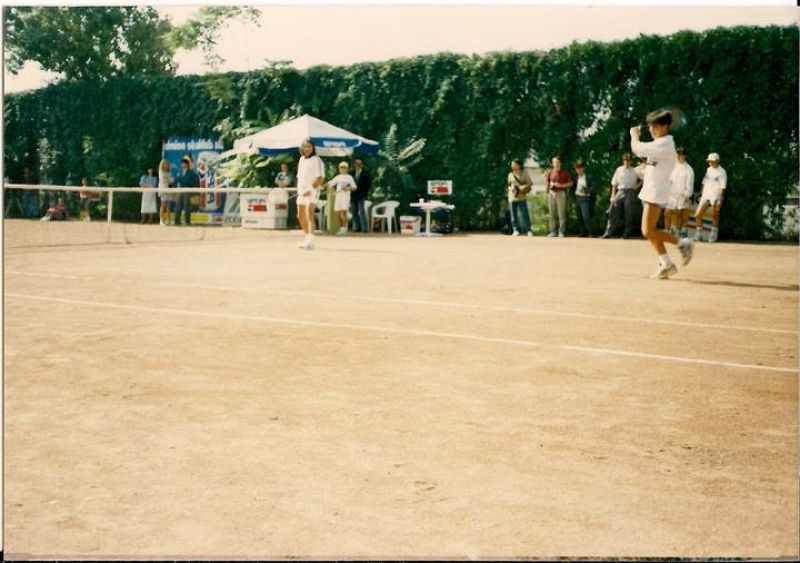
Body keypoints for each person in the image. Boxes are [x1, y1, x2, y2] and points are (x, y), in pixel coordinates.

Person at [630, 109, 694, 279]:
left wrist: (634, 135)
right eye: (650, 126)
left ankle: (682, 243)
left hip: (656, 191)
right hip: (651, 189)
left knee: (647, 231)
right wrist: (644, 170)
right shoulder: (660, 144)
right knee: (651, 230)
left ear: (665, 127)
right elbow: (657, 166)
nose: (651, 130)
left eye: (655, 126)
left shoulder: (664, 143)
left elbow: (637, 149)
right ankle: (666, 263)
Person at [601, 153, 640, 238]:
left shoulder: (635, 170)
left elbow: (644, 178)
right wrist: (612, 196)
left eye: (629, 160)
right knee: (613, 211)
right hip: (620, 190)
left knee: (628, 212)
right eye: (626, 160)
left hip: (630, 191)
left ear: (631, 161)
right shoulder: (619, 170)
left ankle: (627, 233)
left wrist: (637, 186)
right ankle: (608, 232)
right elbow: (614, 183)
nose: (627, 162)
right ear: (623, 161)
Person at [296, 139, 324, 249]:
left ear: (313, 148)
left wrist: (311, 189)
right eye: (305, 146)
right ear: (301, 148)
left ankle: (311, 241)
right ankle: (307, 238)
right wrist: (301, 190)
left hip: (312, 192)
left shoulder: (316, 160)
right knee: (300, 216)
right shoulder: (301, 159)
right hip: (301, 193)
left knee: (309, 215)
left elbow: (320, 178)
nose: (307, 148)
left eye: (309, 147)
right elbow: (300, 177)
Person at [694, 153, 727, 243]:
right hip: (706, 196)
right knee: (697, 215)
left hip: (715, 196)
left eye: (712, 161)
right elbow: (704, 182)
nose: (710, 163)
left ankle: (713, 234)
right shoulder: (708, 170)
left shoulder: (722, 172)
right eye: (709, 161)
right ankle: (699, 233)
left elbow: (723, 186)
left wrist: (720, 199)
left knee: (715, 215)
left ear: (717, 161)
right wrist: (701, 194)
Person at [665, 147, 695, 237]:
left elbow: (690, 185)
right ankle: (667, 232)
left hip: (682, 196)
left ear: (684, 156)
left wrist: (687, 196)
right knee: (667, 213)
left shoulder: (689, 169)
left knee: (679, 215)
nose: (679, 156)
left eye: (681, 154)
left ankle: (677, 233)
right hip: (671, 195)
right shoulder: (672, 166)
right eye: (678, 154)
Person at [326, 161, 357, 235]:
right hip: (338, 197)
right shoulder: (338, 177)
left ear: (347, 169)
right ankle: (341, 228)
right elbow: (330, 183)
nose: (343, 169)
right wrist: (323, 185)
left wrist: (347, 188)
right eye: (341, 168)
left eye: (344, 168)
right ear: (339, 169)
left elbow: (354, 187)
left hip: (345, 197)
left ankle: (344, 228)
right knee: (338, 213)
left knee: (343, 213)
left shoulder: (349, 177)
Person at [546, 156, 573, 237]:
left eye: (557, 162)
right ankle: (553, 231)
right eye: (554, 162)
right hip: (551, 193)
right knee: (552, 214)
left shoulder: (565, 172)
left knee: (561, 213)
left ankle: (561, 231)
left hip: (561, 193)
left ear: (560, 163)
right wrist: (547, 191)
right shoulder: (550, 172)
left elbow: (571, 183)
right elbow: (548, 181)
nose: (556, 164)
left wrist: (561, 185)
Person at [506, 158, 533, 236]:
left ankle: (529, 230)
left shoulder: (524, 173)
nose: (512, 166)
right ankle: (515, 230)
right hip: (512, 197)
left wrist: (523, 187)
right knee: (513, 215)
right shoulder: (510, 175)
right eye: (512, 164)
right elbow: (508, 185)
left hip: (522, 196)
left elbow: (530, 183)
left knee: (524, 214)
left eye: (513, 164)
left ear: (518, 165)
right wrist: (512, 188)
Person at [573, 159, 598, 237]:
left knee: (586, 216)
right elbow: (572, 187)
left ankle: (591, 232)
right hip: (577, 197)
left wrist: (587, 191)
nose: (578, 170)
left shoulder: (589, 177)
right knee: (579, 216)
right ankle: (582, 232)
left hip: (586, 198)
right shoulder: (575, 178)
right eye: (577, 168)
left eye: (580, 168)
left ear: (583, 168)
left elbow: (594, 187)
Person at [174, 157, 199, 226]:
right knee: (178, 206)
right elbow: (176, 181)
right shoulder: (180, 172)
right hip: (180, 191)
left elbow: (189, 181)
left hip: (187, 191)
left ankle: (187, 222)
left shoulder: (191, 173)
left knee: (186, 207)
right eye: (181, 164)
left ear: (187, 164)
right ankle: (177, 221)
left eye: (184, 164)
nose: (182, 165)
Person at [351, 158, 372, 233]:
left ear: (361, 165)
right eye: (357, 164)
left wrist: (365, 192)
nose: (358, 165)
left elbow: (369, 184)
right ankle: (357, 227)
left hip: (361, 195)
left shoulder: (365, 173)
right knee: (354, 211)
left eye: (359, 164)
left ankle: (365, 228)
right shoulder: (352, 173)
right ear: (354, 164)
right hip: (353, 195)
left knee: (362, 211)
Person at [157, 159, 173, 226]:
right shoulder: (161, 171)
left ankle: (168, 220)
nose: (166, 165)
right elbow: (163, 179)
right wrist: (169, 179)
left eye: (167, 164)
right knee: (163, 205)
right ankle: (161, 220)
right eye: (164, 164)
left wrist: (171, 180)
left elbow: (170, 181)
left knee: (168, 205)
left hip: (168, 189)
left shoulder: (169, 172)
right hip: (163, 189)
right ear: (162, 165)